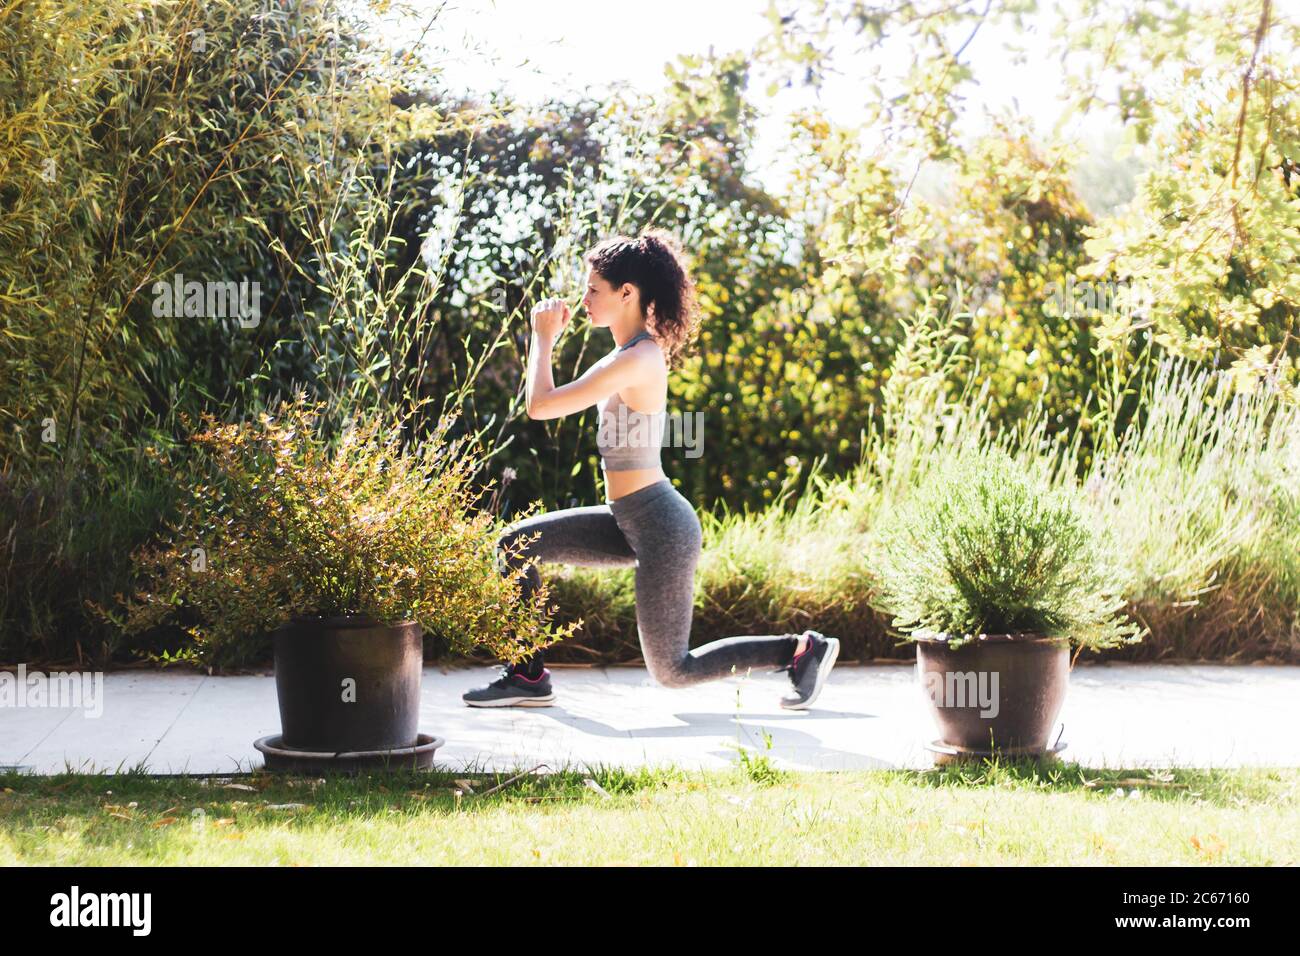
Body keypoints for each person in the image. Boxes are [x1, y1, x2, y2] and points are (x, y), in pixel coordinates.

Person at [463, 229, 839, 709]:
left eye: (593, 289)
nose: (584, 300)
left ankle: (799, 651)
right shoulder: (625, 354)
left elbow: (541, 406)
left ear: (627, 293)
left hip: (660, 525)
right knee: (515, 545)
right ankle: (528, 675)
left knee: (672, 670)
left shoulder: (640, 358)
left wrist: (542, 338)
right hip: (627, 518)